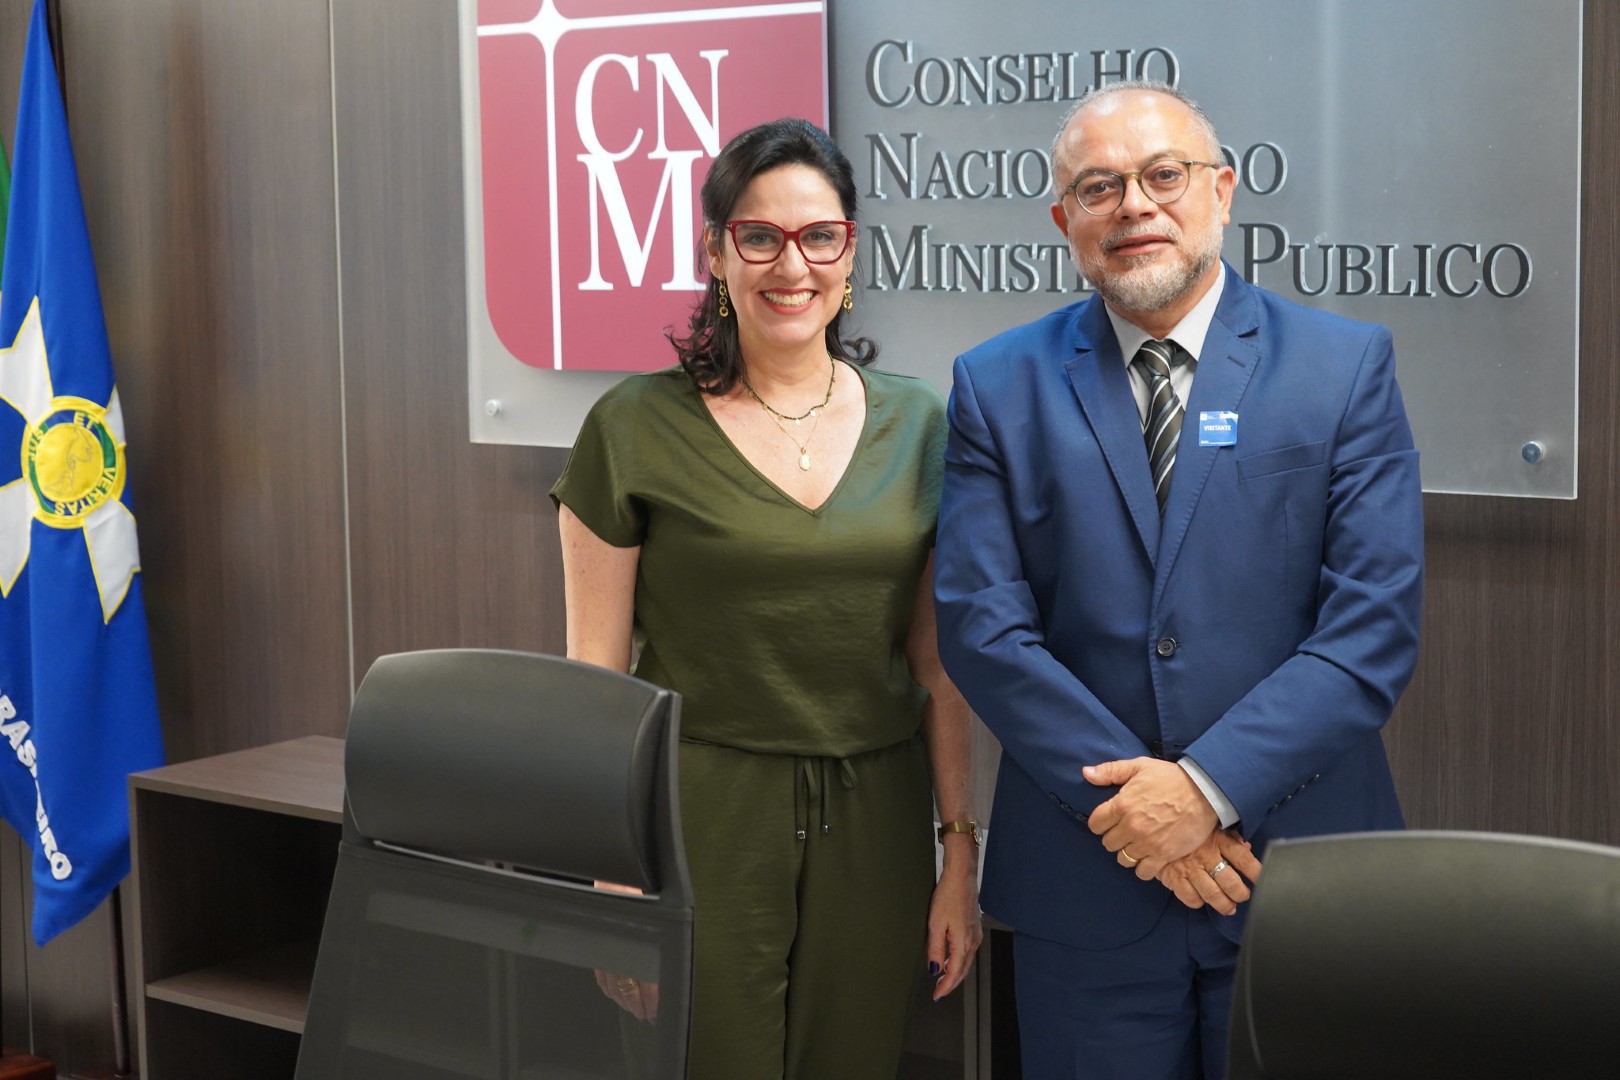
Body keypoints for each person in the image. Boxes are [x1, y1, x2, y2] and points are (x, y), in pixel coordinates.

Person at [934, 82, 1424, 1079]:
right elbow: (983, 629)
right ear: (1064, 219)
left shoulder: (1344, 367)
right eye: (1099, 186)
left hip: (1294, 874)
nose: (1134, 205)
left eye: (1164, 175)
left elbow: (1369, 629)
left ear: (1223, 190)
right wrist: (1142, 815)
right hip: (1088, 887)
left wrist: (1203, 790)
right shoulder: (997, 382)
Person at [552, 117, 981, 1078]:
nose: (793, 265)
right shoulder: (630, 427)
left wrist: (959, 854)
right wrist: (612, 870)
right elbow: (595, 672)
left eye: (818, 236)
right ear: (716, 252)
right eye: (760, 236)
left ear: (851, 250)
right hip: (701, 816)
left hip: (876, 820)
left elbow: (939, 666)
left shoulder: (921, 424)